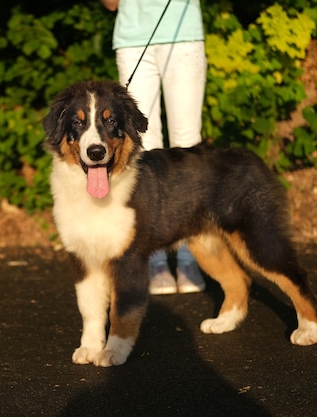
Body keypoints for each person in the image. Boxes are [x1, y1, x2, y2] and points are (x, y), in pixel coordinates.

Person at [101, 0, 207, 295]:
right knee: (143, 150)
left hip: (182, 34)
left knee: (187, 148)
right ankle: (156, 259)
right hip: (132, 39)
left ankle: (189, 257)